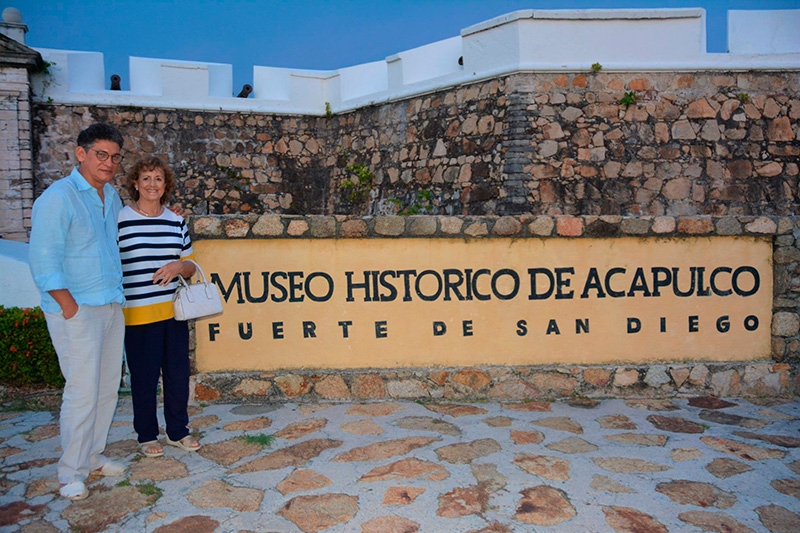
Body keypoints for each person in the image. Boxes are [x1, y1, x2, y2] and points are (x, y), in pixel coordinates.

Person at [29, 123, 128, 501]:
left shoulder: (112, 197)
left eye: (115, 156)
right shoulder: (59, 198)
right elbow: (44, 259)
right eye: (101, 154)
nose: (109, 162)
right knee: (82, 392)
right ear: (81, 153)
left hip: (110, 304)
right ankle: (71, 472)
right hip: (77, 309)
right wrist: (70, 307)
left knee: (106, 388)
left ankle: (95, 455)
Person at [118, 156, 200, 458]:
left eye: (158, 179)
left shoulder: (176, 221)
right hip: (137, 313)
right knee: (144, 377)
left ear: (165, 185)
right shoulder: (120, 219)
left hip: (173, 312)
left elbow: (191, 264)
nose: (152, 184)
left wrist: (177, 267)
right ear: (136, 184)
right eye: (146, 178)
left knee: (178, 375)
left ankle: (178, 432)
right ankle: (147, 435)